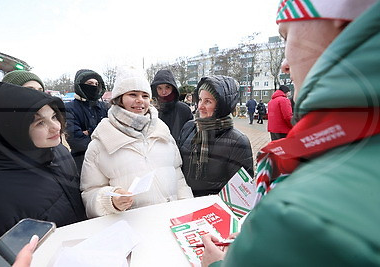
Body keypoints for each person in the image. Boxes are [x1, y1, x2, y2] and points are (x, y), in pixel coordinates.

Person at [201, 0, 380, 266]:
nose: (285, 64)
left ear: (340, 23)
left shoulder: (294, 214)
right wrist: (254, 244)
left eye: (286, 37)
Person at [0, 82, 87, 243]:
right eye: (40, 123)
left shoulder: (58, 150)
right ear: (14, 131)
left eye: (53, 117)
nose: (55, 127)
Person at [81, 66, 193, 218]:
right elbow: (90, 193)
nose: (140, 100)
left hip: (172, 224)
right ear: (119, 99)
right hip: (133, 230)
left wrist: (188, 210)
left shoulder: (162, 131)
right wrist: (110, 200)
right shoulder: (101, 142)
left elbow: (178, 177)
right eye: (133, 94)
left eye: (145, 96)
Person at [178, 75, 254, 197]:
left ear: (221, 106)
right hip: (184, 204)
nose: (200, 106)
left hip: (214, 211)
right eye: (200, 100)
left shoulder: (237, 141)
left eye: (207, 101)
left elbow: (241, 193)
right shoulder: (189, 128)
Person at [65, 69, 108, 174]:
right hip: (81, 165)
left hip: (107, 162)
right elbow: (76, 140)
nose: (93, 86)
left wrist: (89, 132)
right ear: (80, 85)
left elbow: (114, 133)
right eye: (90, 83)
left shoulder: (103, 106)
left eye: (96, 84)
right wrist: (100, 133)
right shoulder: (69, 108)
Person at [150, 69, 193, 142]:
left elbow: (190, 136)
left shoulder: (184, 110)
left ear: (173, 88)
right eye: (159, 88)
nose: (163, 92)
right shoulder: (151, 110)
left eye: (167, 87)